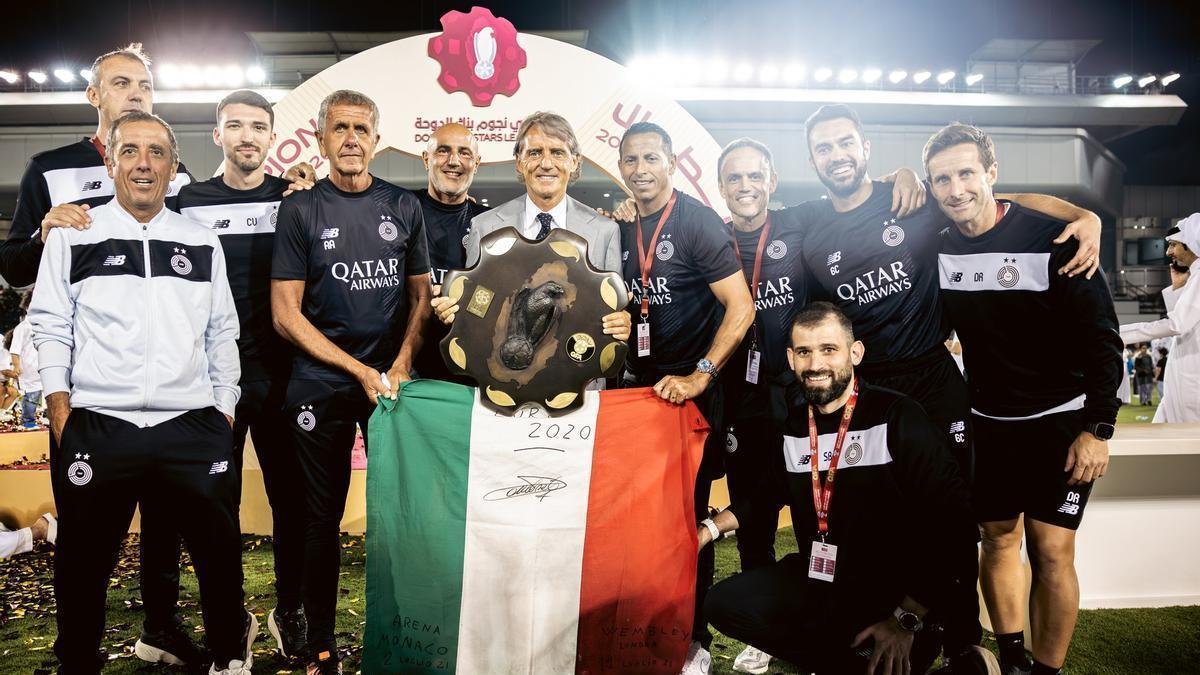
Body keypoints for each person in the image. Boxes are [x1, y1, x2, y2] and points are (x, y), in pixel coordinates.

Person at [796, 104, 1102, 674]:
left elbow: (993, 200)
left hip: (938, 382)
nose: (836, 155)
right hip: (873, 390)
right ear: (811, 158)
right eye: (823, 147)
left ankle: (964, 643)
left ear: (865, 147)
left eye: (845, 143)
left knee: (959, 519)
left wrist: (1082, 214)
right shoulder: (811, 231)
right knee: (883, 516)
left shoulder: (913, 201)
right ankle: (884, 628)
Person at [29, 111, 254, 675]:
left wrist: (223, 409)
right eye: (130, 151)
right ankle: (78, 661)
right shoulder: (73, 235)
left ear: (174, 168)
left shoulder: (201, 240)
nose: (143, 164)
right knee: (83, 561)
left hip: (192, 425)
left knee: (219, 554)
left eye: (157, 152)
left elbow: (222, 332)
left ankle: (229, 657)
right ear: (111, 162)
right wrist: (61, 410)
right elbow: (50, 325)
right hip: (99, 423)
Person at [927, 123, 1123, 675]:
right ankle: (1012, 661)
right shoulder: (937, 244)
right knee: (996, 540)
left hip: (1060, 422)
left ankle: (1047, 671)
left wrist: (1098, 429)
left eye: (967, 173)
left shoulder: (1056, 240)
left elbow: (1103, 340)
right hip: (987, 423)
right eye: (942, 179)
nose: (956, 189)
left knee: (1051, 550)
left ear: (992, 173)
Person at [703, 302, 973, 675]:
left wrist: (905, 619)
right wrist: (708, 530)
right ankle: (839, 661)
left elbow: (956, 528)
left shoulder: (897, 416)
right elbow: (763, 497)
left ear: (855, 353)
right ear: (791, 359)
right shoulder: (795, 427)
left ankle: (931, 656)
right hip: (826, 581)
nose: (816, 364)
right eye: (804, 352)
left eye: (828, 349)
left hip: (897, 598)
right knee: (723, 603)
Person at [270, 89, 431, 675]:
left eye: (362, 129)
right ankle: (321, 645)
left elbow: (422, 297)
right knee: (321, 520)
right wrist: (358, 369)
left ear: (377, 139)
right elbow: (285, 315)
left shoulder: (403, 206)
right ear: (320, 138)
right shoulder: (300, 210)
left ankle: (407, 639)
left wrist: (402, 362)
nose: (351, 139)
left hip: (390, 387)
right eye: (340, 128)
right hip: (321, 385)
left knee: (404, 519)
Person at [614, 121, 755, 675]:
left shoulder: (696, 223)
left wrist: (701, 375)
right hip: (636, 395)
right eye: (631, 160)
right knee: (637, 520)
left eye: (651, 158)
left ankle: (693, 642)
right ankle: (641, 629)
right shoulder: (622, 224)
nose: (641, 169)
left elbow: (741, 307)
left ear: (671, 162)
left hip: (687, 397)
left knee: (686, 519)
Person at [176, 89, 308, 659]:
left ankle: (289, 609)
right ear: (218, 135)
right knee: (214, 506)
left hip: (283, 377)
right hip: (211, 381)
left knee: (292, 504)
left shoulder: (296, 197)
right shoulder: (187, 202)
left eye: (257, 126)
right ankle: (230, 621)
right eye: (235, 125)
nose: (247, 136)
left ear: (272, 136)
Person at [464, 111, 621, 272]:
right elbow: (472, 289)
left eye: (557, 153)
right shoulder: (483, 228)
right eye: (535, 153)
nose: (546, 164)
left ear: (574, 162)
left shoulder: (605, 231)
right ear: (519, 162)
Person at [411, 122, 489, 382]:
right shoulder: (399, 208)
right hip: (406, 370)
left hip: (472, 374)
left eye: (464, 153)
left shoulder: (491, 222)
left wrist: (462, 302)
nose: (454, 161)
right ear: (426, 159)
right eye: (443, 151)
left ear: (476, 163)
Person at [1121, 216, 1200, 422]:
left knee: (1184, 440)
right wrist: (1178, 288)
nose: (1168, 252)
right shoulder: (1195, 275)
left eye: (1173, 245)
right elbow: (1185, 322)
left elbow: (1177, 325)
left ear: (1190, 243)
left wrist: (1118, 334)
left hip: (1191, 382)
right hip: (1182, 377)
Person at [10, 292, 42, 430]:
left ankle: (48, 417)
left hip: (42, 367)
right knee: (31, 396)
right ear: (27, 307)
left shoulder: (42, 325)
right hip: (29, 368)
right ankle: (28, 422)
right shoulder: (22, 328)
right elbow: (14, 350)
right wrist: (16, 366)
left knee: (48, 395)